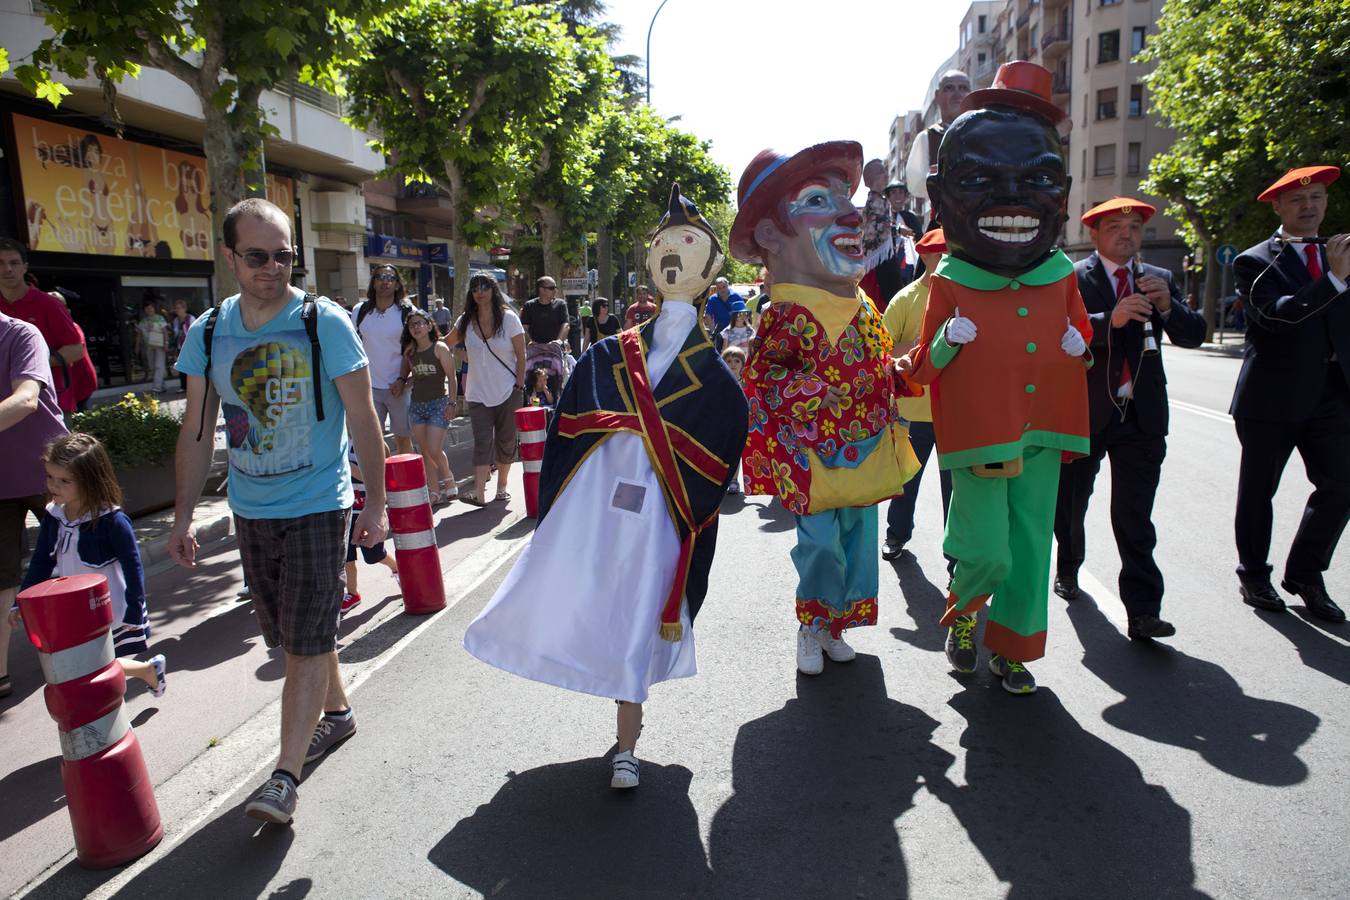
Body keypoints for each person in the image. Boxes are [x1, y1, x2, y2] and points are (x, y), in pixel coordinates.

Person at [465, 184, 747, 790]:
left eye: (689, 243)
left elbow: (718, 457)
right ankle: (616, 724)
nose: (674, 253)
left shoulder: (719, 381)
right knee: (592, 600)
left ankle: (627, 743)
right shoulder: (602, 358)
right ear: (650, 261)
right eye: (664, 244)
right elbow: (569, 434)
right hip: (599, 515)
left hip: (661, 520)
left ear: (713, 267)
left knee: (639, 615)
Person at [170, 198, 389, 825]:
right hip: (250, 508)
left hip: (320, 503)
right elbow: (195, 429)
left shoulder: (325, 322)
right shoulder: (208, 331)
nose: (273, 267)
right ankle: (339, 715)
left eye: (284, 255)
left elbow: (363, 418)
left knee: (300, 647)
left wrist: (373, 503)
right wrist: (183, 517)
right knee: (299, 637)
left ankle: (284, 777)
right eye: (259, 256)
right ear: (231, 256)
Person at [904, 62, 1091, 695]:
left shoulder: (1062, 272)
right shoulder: (952, 280)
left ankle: (1013, 651)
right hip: (981, 428)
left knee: (1032, 546)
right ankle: (964, 609)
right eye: (982, 178)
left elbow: (1081, 342)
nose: (1012, 196)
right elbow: (924, 367)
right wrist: (946, 341)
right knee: (987, 547)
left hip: (1044, 427)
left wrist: (1080, 343)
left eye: (1037, 178)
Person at [733, 141, 920, 677]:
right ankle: (811, 623)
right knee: (819, 546)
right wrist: (811, 390)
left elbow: (879, 363)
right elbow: (762, 378)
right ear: (771, 235)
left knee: (858, 543)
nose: (850, 210)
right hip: (812, 455)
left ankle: (834, 624)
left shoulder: (864, 306)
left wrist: (900, 371)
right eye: (819, 197)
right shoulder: (784, 312)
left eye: (846, 195)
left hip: (864, 447)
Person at [1052, 198, 1206, 639]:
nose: (1126, 234)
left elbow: (1194, 335)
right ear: (1095, 234)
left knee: (1135, 515)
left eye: (1134, 227)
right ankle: (1068, 564)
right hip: (1089, 411)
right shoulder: (1073, 279)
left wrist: (1171, 309)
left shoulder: (1158, 279)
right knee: (1071, 504)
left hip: (1142, 415)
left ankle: (1142, 610)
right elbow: (1059, 338)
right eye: (1116, 227)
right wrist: (1107, 321)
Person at [1229, 165, 1350, 622]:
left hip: (1333, 398)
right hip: (1271, 400)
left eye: (1317, 198)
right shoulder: (1256, 260)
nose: (1309, 206)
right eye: (1298, 200)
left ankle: (1305, 573)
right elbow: (1275, 317)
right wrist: (1334, 281)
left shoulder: (1342, 253)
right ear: (1278, 207)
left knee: (1341, 486)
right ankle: (1254, 574)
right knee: (1259, 491)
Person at [17, 433, 166, 696]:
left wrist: (134, 608)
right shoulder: (55, 515)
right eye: (50, 477)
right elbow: (41, 561)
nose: (54, 485)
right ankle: (146, 671)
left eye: (64, 480)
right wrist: (22, 601)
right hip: (73, 606)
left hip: (108, 606)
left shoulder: (113, 520)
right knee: (93, 664)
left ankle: (117, 720)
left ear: (89, 480)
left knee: (97, 666)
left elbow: (133, 568)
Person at [0, 308, 68, 699]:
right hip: (0, 481)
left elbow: (26, 398)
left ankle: (102, 642)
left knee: (79, 554)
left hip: (50, 473)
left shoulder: (22, 334)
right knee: (0, 576)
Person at [881, 229, 954, 564]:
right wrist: (919, 349)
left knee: (958, 492)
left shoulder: (965, 295)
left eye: (952, 253)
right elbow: (879, 350)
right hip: (913, 409)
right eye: (941, 253)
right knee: (906, 481)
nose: (947, 260)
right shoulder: (906, 298)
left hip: (957, 411)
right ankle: (896, 535)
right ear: (924, 256)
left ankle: (957, 555)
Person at [447, 274, 525, 507]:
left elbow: (522, 356)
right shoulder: (466, 321)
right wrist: (419, 337)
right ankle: (479, 493)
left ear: (493, 290)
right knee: (482, 441)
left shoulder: (509, 318)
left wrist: (519, 386)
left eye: (484, 287)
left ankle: (502, 487)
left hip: (508, 390)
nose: (479, 292)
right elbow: (445, 342)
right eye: (474, 288)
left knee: (506, 440)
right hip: (477, 392)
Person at [0, 238, 97, 413]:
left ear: (25, 267)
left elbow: (76, 350)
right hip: (5, 408)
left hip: (51, 406)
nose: (7, 269)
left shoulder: (48, 304)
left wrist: (32, 362)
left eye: (14, 263)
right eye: (1, 263)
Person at [350, 264, 415, 455]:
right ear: (373, 282)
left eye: (390, 278)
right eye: (380, 277)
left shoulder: (407, 311)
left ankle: (407, 483)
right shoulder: (359, 311)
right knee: (370, 439)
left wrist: (406, 380)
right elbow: (352, 347)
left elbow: (419, 347)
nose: (385, 281)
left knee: (403, 439)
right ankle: (384, 477)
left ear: (396, 285)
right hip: (368, 388)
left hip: (398, 388)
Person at [399, 308, 460, 504]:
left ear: (429, 325)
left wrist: (452, 402)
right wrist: (403, 382)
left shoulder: (439, 348)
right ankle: (434, 491)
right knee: (425, 451)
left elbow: (452, 377)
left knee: (434, 449)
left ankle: (448, 477)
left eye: (419, 323)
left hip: (438, 404)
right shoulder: (410, 352)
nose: (416, 327)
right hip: (416, 407)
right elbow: (413, 375)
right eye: (412, 325)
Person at [904, 70, 971, 227]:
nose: (957, 94)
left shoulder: (982, 134)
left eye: (963, 88)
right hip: (942, 223)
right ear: (937, 96)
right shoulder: (927, 137)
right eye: (949, 88)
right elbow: (915, 186)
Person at [342, 443, 399, 615]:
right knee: (346, 556)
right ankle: (352, 593)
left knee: (374, 554)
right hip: (345, 509)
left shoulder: (368, 442)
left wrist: (345, 463)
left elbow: (369, 476)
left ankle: (398, 569)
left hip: (367, 511)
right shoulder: (339, 441)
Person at [519, 276, 571, 396]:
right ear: (542, 290)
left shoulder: (560, 305)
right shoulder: (529, 306)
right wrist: (530, 341)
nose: (555, 291)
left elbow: (566, 324)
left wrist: (558, 341)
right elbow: (524, 327)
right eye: (552, 288)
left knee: (561, 377)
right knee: (531, 377)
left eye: (555, 288)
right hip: (535, 352)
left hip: (554, 351)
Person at [721, 345, 748, 494]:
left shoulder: (746, 383)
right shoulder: (720, 381)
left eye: (736, 361)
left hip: (740, 422)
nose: (733, 364)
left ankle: (733, 480)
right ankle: (722, 479)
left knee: (736, 452)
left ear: (742, 364)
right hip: (723, 421)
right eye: (729, 361)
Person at [135, 298, 171, 393]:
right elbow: (139, 335)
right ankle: (162, 386)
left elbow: (165, 332)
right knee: (152, 367)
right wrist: (137, 346)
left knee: (159, 365)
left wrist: (166, 343)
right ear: (145, 310)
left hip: (160, 346)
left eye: (151, 308)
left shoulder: (160, 318)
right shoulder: (143, 321)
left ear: (154, 309)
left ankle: (157, 387)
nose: (149, 310)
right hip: (149, 346)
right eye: (147, 308)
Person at [170, 298, 196, 393]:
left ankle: (192, 387)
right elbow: (175, 333)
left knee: (191, 367)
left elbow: (195, 332)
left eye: (180, 308)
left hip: (190, 346)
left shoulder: (191, 318)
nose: (178, 310)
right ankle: (183, 387)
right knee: (181, 366)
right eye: (176, 308)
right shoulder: (176, 320)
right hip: (180, 346)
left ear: (184, 308)